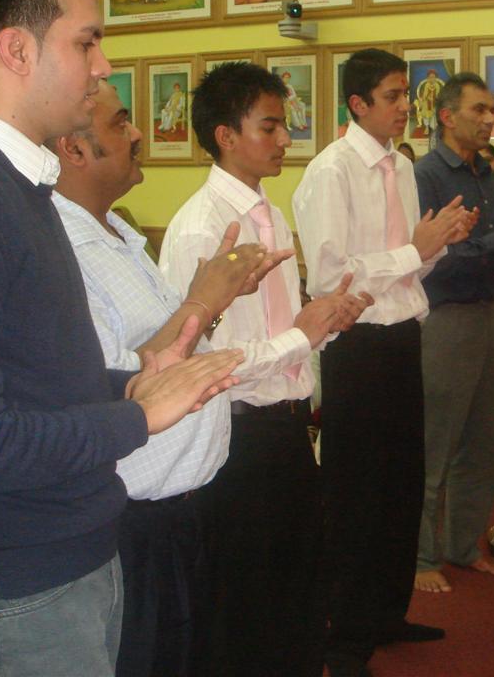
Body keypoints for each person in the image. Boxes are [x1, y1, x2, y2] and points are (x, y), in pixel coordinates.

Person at [0, 0, 241, 676]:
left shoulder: (19, 184)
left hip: (67, 562)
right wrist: (136, 417)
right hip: (9, 590)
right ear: (17, 51)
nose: (102, 65)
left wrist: (133, 382)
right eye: (86, 43)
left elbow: (37, 385)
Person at [49, 78, 282, 677]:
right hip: (130, 522)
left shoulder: (119, 235)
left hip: (184, 508)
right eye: (120, 123)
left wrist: (217, 301)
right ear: (74, 150)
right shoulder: (61, 250)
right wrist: (202, 301)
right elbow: (115, 385)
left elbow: (167, 347)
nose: (138, 134)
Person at [161, 62, 372, 676]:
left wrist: (323, 321)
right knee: (246, 597)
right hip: (235, 434)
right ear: (226, 135)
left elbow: (277, 331)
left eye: (284, 125)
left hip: (285, 424)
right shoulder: (204, 228)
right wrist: (301, 335)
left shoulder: (268, 213)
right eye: (270, 126)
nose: (285, 139)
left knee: (297, 580)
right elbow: (207, 363)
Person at [293, 48, 475, 677]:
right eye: (393, 96)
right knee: (357, 494)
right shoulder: (331, 170)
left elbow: (407, 269)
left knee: (401, 483)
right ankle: (344, 638)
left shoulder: (400, 166)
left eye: (406, 95)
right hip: (356, 344)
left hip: (402, 339)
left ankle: (385, 612)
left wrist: (437, 244)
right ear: (358, 104)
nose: (405, 108)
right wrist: (412, 252)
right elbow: (329, 277)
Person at [414, 77, 494, 593]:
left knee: (485, 442)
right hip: (448, 319)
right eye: (480, 110)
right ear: (448, 117)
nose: (491, 118)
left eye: (493, 109)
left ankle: (463, 546)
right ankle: (421, 557)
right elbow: (430, 260)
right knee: (435, 443)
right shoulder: (426, 176)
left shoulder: (488, 176)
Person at [416, 68, 445, 138]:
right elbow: (425, 94)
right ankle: (427, 127)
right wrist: (425, 99)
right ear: (428, 78)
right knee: (426, 116)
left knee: (434, 115)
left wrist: (435, 99)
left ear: (435, 78)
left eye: (433, 77)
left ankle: (433, 128)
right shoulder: (426, 85)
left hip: (434, 102)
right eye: (430, 77)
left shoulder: (437, 85)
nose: (432, 79)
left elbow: (438, 94)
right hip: (427, 103)